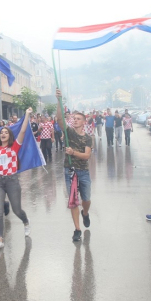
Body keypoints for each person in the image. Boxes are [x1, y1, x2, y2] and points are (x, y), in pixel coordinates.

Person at [0, 108, 33, 251]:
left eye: (5, 132)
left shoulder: (14, 147)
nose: (3, 134)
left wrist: (26, 114)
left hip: (12, 181)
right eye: (1, 132)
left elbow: (22, 131)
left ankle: (25, 221)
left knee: (17, 210)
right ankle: (0, 239)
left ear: (9, 136)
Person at [56, 89, 92, 241]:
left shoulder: (88, 138)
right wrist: (58, 100)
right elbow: (59, 120)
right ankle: (77, 229)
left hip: (83, 171)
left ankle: (85, 213)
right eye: (74, 118)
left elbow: (86, 156)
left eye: (79, 119)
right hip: (70, 171)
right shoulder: (69, 132)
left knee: (86, 199)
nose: (75, 120)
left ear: (84, 122)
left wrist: (73, 153)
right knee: (73, 200)